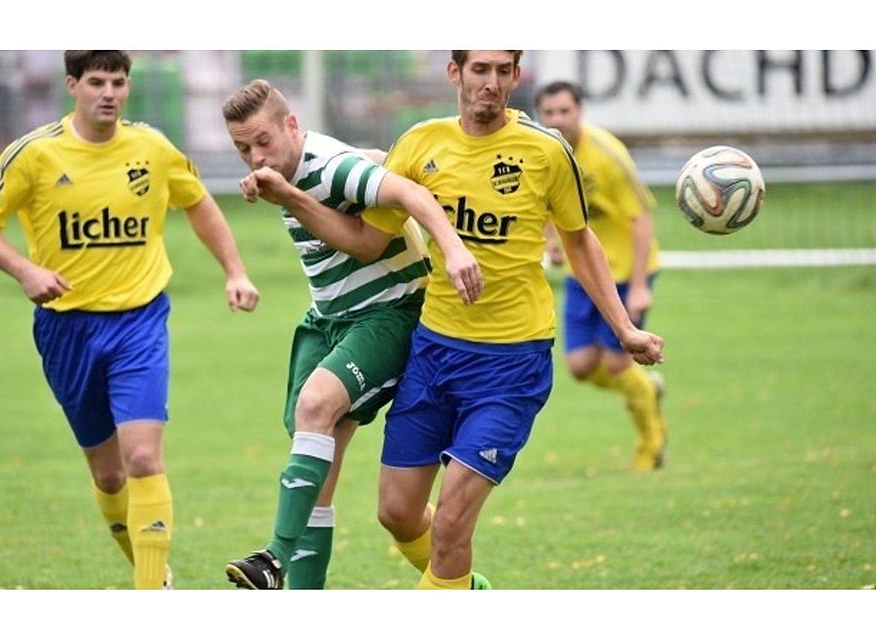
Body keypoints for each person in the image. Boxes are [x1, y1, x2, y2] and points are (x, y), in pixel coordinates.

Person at [243, 50, 665, 589]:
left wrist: (625, 327)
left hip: (511, 362)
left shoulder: (545, 150)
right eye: (478, 69)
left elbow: (581, 242)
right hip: (434, 351)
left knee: (449, 527)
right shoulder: (420, 144)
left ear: (515, 77)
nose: (490, 83)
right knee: (396, 513)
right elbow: (368, 242)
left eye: (501, 71)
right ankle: (470, 594)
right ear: (455, 73)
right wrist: (295, 199)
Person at [0, 50, 259, 589]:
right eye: (96, 81)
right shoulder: (33, 154)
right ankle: (153, 572)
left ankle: (149, 597)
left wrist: (234, 271)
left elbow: (198, 202)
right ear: (72, 85)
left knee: (144, 457)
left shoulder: (151, 148)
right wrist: (25, 270)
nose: (109, 93)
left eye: (119, 82)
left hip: (139, 322)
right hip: (65, 329)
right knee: (109, 473)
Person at [220, 79, 483, 589]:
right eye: (242, 148)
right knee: (317, 470)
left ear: (292, 126)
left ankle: (274, 557)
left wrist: (451, 248)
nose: (255, 157)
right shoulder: (287, 170)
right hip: (330, 320)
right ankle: (466, 590)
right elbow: (380, 159)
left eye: (263, 141)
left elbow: (409, 191)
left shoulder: (326, 167)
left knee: (315, 406)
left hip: (390, 313)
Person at [535, 80, 667, 472]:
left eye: (565, 111)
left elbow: (641, 217)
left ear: (580, 112)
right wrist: (552, 243)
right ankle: (648, 390)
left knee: (617, 364)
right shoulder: (544, 153)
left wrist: (641, 286)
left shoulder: (608, 153)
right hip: (584, 272)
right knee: (579, 366)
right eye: (550, 113)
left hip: (627, 271)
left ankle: (650, 443)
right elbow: (540, 202)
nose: (557, 120)